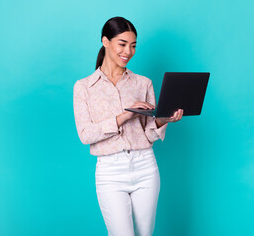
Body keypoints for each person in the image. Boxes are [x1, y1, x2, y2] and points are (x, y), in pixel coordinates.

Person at [73, 16, 183, 236]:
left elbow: (149, 133)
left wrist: (163, 120)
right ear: (105, 42)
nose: (128, 52)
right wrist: (125, 115)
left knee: (145, 234)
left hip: (145, 166)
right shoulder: (84, 87)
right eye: (122, 44)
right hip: (110, 171)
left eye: (133, 46)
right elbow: (85, 135)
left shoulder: (143, 83)